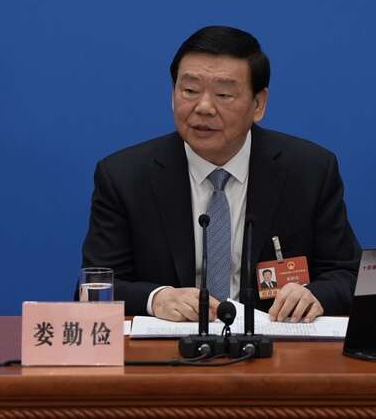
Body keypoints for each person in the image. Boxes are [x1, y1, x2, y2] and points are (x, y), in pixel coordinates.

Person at [80, 25, 360, 323]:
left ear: (258, 104)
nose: (203, 107)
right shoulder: (124, 177)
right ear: (172, 95)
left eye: (224, 94)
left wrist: (315, 295)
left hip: (274, 342)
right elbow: (93, 288)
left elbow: (348, 274)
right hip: (171, 345)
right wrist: (156, 298)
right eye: (189, 91)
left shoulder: (308, 171)